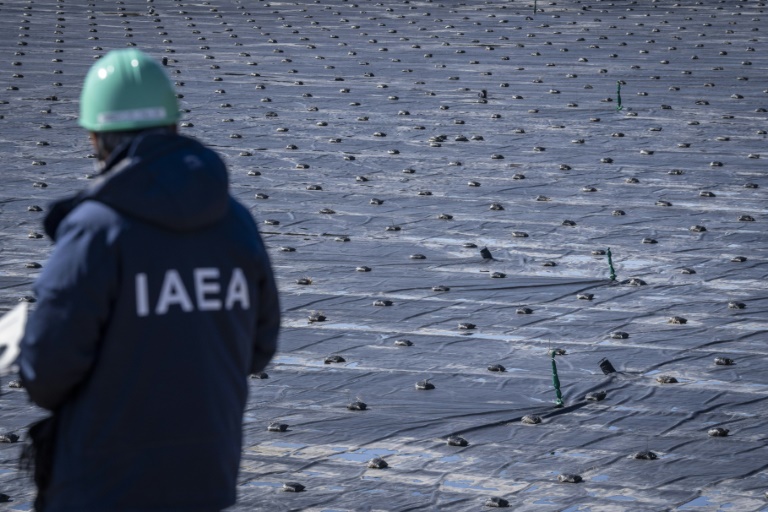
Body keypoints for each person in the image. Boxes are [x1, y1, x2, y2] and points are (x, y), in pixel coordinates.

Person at [18, 49, 280, 511]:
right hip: (207, 474)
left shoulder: (96, 230)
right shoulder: (236, 222)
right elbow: (258, 345)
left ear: (96, 137)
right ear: (174, 128)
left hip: (105, 482)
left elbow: (47, 374)